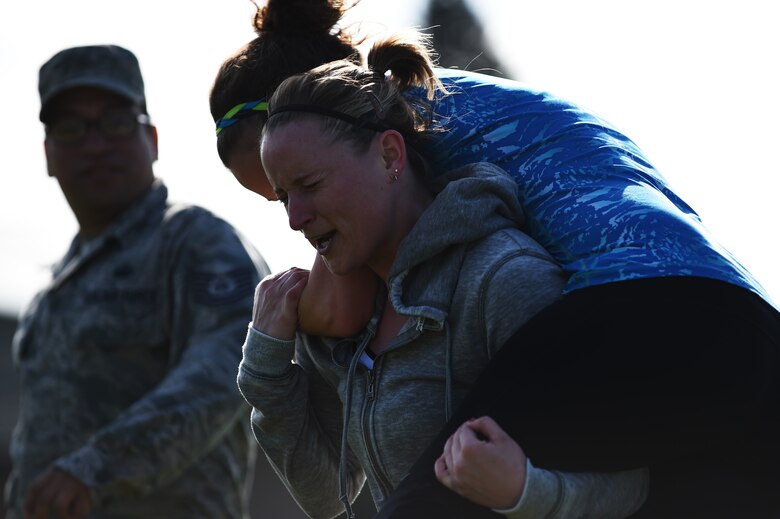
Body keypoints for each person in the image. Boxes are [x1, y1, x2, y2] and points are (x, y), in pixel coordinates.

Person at [212, 1, 780, 517]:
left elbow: (338, 305)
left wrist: (280, 325)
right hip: (746, 328)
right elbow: (322, 487)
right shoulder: (434, 111)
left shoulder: (423, 123)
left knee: (439, 496)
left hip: (654, 311)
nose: (294, 218)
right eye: (279, 196)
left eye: (300, 181)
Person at [238, 36, 650, 519]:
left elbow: (629, 482)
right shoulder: (346, 319)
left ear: (390, 155)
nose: (295, 217)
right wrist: (265, 366)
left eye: (310, 185)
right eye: (284, 196)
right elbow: (329, 494)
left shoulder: (503, 279)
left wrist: (522, 491)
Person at [5, 44, 270, 519]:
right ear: (48, 154)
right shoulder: (54, 289)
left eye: (115, 122)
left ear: (152, 138)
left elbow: (231, 369)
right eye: (70, 128)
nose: (94, 144)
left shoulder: (194, 244)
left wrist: (94, 467)